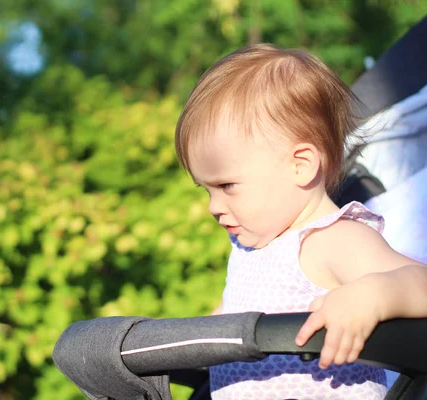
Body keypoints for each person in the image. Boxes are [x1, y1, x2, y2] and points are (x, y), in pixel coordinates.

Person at [174, 43, 427, 399]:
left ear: (301, 165)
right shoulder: (248, 248)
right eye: (206, 191)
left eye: (226, 186)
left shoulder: (332, 240)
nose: (214, 206)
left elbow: (421, 282)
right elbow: (222, 322)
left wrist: (373, 296)